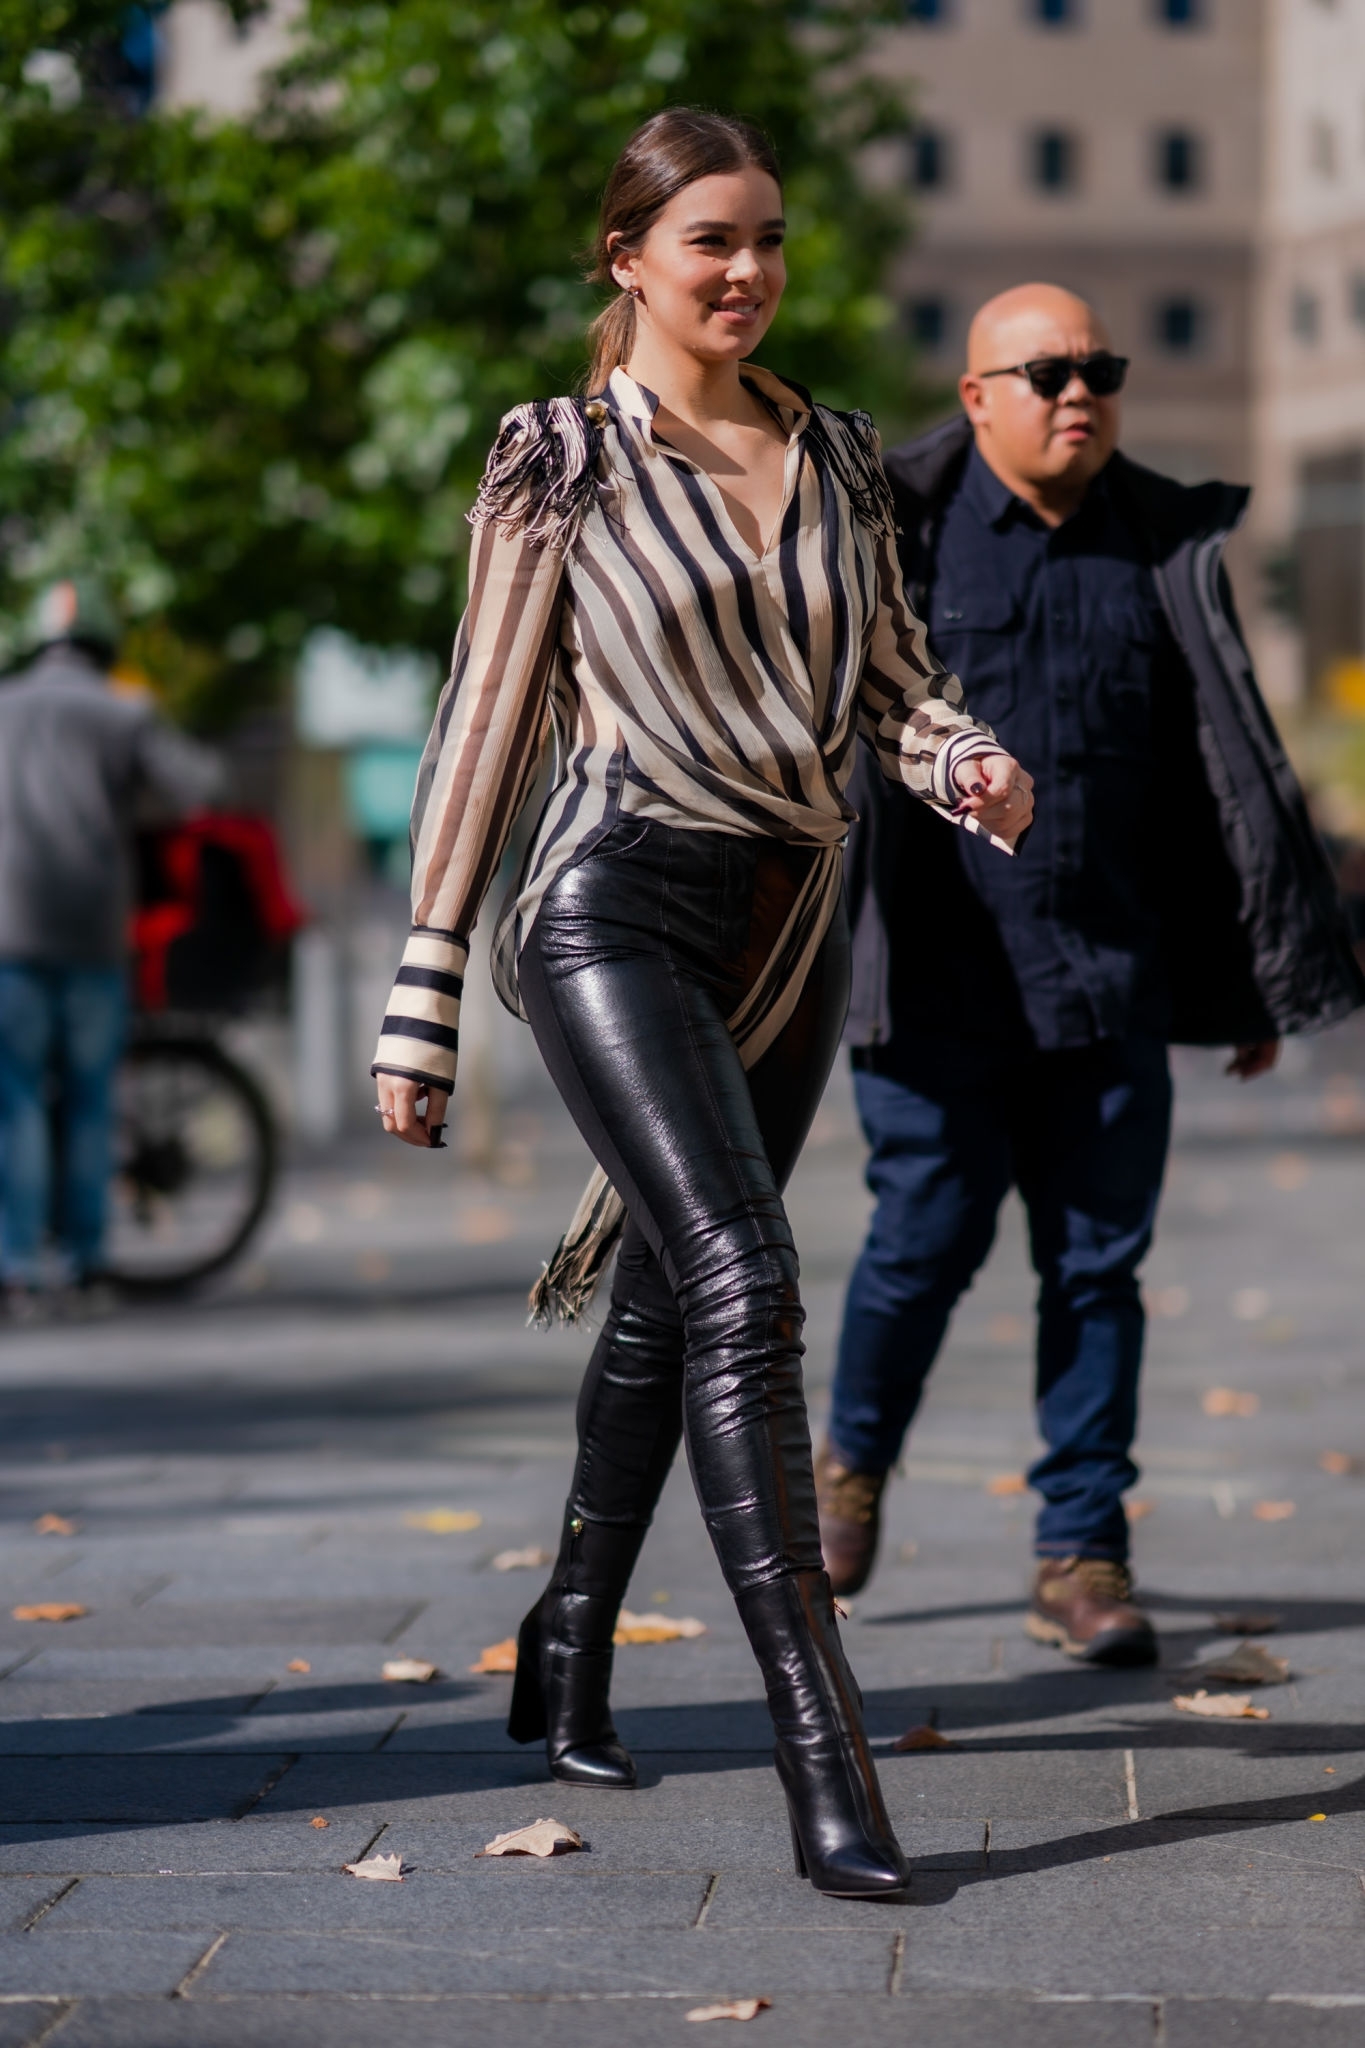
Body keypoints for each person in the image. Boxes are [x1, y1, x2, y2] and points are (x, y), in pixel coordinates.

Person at [372, 110, 1032, 1899]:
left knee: (673, 1297)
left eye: (768, 241)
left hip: (796, 918)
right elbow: (485, 718)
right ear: (628, 261)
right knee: (750, 1275)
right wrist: (421, 990)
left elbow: (892, 679)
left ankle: (570, 1626)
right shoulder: (559, 455)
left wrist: (962, 752)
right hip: (609, 904)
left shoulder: (832, 451)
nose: (745, 272)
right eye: (707, 243)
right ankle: (828, 1756)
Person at [817, 284, 1364, 1664]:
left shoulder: (1162, 540)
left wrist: (1240, 985)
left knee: (1098, 1273)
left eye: (1099, 368)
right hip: (938, 987)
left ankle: (1080, 1554)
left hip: (1111, 984)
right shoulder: (902, 532)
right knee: (917, 1252)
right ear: (976, 396)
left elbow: (1215, 782)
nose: (1079, 390)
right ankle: (849, 1465)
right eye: (1045, 369)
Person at [0, 578, 222, 1317]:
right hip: (94, 934)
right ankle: (87, 1264)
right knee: (93, 1100)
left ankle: (20, 1268)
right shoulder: (122, 712)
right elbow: (199, 786)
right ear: (101, 644)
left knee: (19, 1100)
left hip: (8, 934)